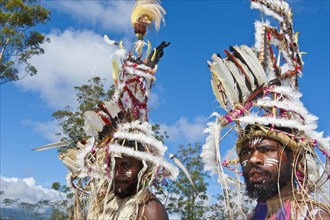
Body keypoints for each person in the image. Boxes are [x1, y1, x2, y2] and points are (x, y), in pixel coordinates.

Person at [201, 0, 330, 219]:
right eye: (246, 152)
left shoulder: (313, 216)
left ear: (295, 159)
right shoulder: (256, 215)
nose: (253, 159)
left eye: (267, 149)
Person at [54, 0, 179, 219]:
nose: (119, 173)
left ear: (144, 168)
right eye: (116, 165)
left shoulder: (150, 209)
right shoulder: (101, 204)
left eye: (127, 165)